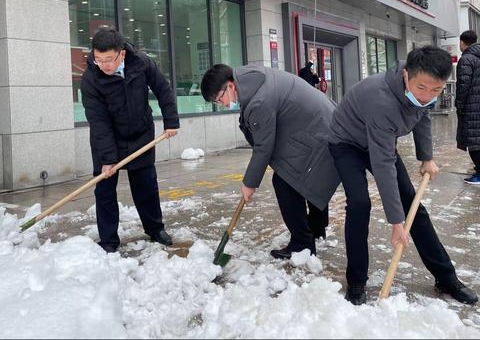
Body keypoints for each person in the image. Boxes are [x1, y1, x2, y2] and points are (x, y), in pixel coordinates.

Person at [328, 45, 478, 305]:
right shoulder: (381, 100)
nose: (427, 96)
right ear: (406, 75)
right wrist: (396, 222)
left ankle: (446, 277)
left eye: (437, 90)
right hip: (347, 143)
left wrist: (426, 157)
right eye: (422, 88)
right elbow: (383, 163)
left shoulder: (422, 90)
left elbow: (422, 117)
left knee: (413, 205)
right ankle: (356, 282)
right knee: (360, 203)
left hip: (378, 139)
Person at [201, 64, 337, 259]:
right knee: (305, 177)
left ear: (230, 86)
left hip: (318, 133)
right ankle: (316, 229)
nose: (222, 104)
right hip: (320, 126)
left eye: (220, 98)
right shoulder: (252, 78)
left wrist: (249, 183)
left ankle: (302, 245)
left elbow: (263, 147)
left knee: (285, 182)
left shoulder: (258, 101)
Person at [81, 28, 179, 253]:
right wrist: (107, 159)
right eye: (99, 59)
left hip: (140, 134)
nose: (104, 65)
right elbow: (98, 121)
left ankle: (155, 228)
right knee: (104, 190)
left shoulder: (142, 63)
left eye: (109, 60)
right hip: (107, 139)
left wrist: (171, 121)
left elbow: (163, 89)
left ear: (121, 54)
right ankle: (108, 240)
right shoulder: (90, 78)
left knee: (146, 185)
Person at [455, 30, 480, 185]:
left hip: (472, 106)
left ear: (463, 42)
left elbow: (463, 85)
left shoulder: (467, 59)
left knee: (473, 140)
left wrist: (460, 104)